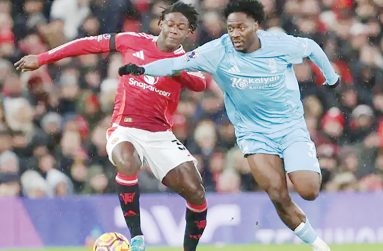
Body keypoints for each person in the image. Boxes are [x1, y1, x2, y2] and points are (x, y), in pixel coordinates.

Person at [118, 1, 340, 250]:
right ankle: (319, 245)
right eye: (230, 28)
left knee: (309, 190)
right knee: (277, 194)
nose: (234, 33)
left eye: (241, 27)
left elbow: (311, 47)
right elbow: (175, 64)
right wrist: (141, 69)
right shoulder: (217, 51)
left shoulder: (281, 45)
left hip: (290, 129)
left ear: (256, 25)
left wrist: (331, 77)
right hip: (253, 134)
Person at [14, 2, 208, 251]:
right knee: (126, 160)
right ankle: (137, 238)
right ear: (160, 24)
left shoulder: (187, 60)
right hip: (124, 127)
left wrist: (176, 66)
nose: (173, 30)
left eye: (181, 27)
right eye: (170, 23)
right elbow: (87, 43)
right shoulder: (133, 40)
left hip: (160, 134)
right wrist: (42, 58)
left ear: (189, 32)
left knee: (196, 192)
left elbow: (200, 84)